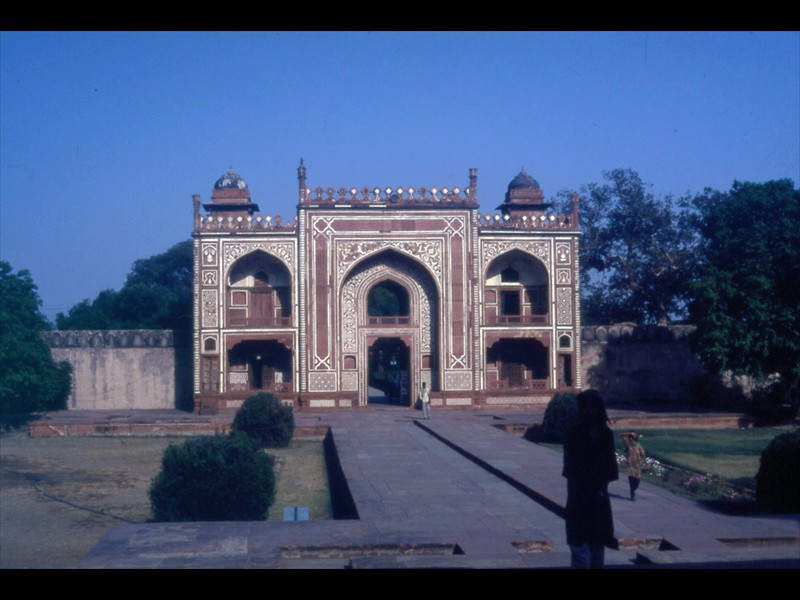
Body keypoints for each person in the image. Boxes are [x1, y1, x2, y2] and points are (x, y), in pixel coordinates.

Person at [562, 389, 619, 569]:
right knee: (580, 554)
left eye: (592, 408)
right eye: (585, 408)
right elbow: (570, 469)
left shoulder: (605, 435)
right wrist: (583, 492)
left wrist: (599, 489)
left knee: (597, 554)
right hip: (579, 500)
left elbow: (610, 468)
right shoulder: (574, 434)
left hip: (598, 502)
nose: (588, 411)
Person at [621, 431, 646, 501]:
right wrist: (629, 433)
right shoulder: (628, 444)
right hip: (630, 465)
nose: (631, 438)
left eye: (632, 437)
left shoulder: (638, 445)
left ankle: (633, 490)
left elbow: (643, 455)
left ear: (635, 438)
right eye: (630, 437)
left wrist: (646, 463)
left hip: (637, 466)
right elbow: (622, 435)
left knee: (637, 481)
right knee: (631, 481)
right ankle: (632, 495)